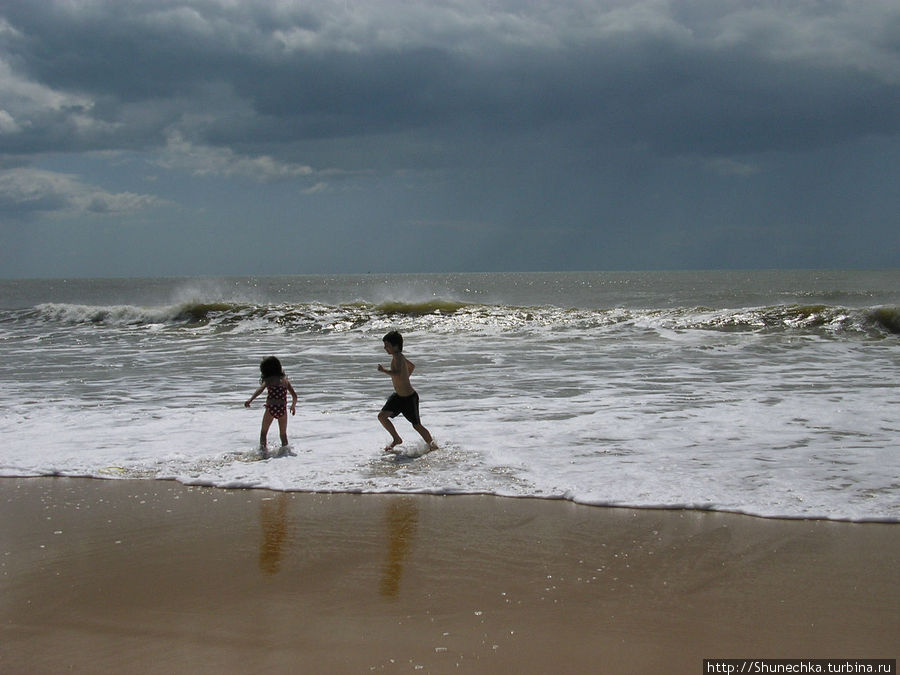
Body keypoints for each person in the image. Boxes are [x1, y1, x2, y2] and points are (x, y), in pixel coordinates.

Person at [377, 331, 437, 452]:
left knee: (416, 425)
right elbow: (412, 366)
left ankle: (433, 445)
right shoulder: (398, 357)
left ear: (396, 346)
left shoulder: (399, 357)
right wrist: (406, 377)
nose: (385, 348)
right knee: (382, 416)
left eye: (387, 345)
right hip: (398, 397)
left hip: (409, 398)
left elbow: (398, 373)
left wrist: (384, 371)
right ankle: (396, 439)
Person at [245, 356, 297, 458]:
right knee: (283, 434)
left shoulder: (268, 380)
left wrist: (250, 399)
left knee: (264, 432)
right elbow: (294, 396)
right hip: (282, 409)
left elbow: (260, 390)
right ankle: (285, 452)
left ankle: (263, 452)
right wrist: (293, 406)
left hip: (271, 408)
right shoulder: (285, 381)